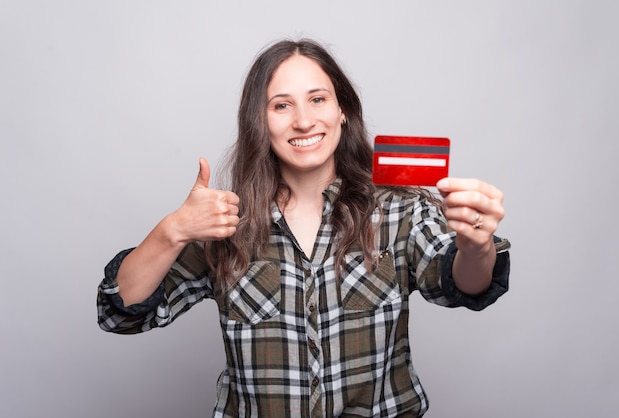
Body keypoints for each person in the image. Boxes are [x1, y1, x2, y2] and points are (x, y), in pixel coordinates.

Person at [97, 38, 511, 417]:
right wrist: (173, 230)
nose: (303, 120)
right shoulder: (224, 223)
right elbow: (120, 312)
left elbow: (466, 286)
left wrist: (475, 247)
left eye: (317, 99)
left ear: (341, 110)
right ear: (260, 120)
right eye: (282, 105)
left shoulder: (399, 209)